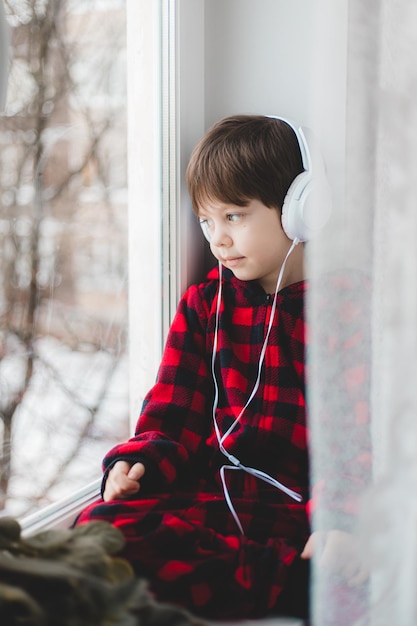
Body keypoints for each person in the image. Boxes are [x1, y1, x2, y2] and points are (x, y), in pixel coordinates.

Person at [76, 114, 332, 621]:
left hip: (296, 512)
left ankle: (290, 577)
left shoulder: (340, 313)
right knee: (100, 529)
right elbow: (172, 412)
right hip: (209, 498)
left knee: (344, 560)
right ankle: (283, 583)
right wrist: (140, 462)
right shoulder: (205, 306)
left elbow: (355, 443)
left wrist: (337, 521)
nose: (217, 240)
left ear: (301, 208)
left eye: (234, 216)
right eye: (206, 221)